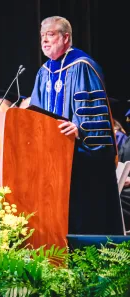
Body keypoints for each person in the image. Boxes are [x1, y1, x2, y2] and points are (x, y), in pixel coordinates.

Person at [30, 16, 122, 235]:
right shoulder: (43, 72)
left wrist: (80, 129)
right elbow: (34, 113)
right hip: (51, 158)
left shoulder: (83, 66)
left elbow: (94, 113)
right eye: (42, 36)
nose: (45, 40)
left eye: (50, 34)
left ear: (66, 37)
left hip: (80, 158)